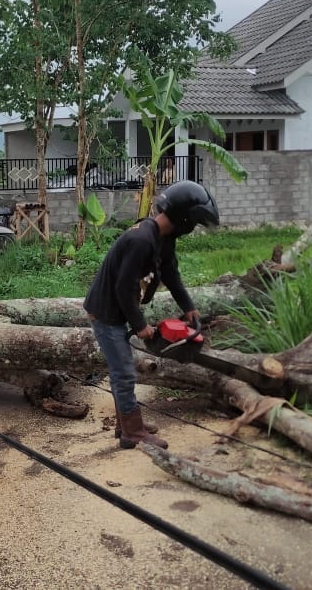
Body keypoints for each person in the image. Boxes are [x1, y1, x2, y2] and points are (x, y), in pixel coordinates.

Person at [83, 181, 220, 450]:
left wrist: (189, 307)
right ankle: (132, 432)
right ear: (184, 219)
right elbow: (123, 287)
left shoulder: (162, 238)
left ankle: (127, 424)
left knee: (123, 371)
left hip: (116, 311)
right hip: (106, 313)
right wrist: (141, 325)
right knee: (123, 373)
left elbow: (171, 274)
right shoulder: (141, 240)